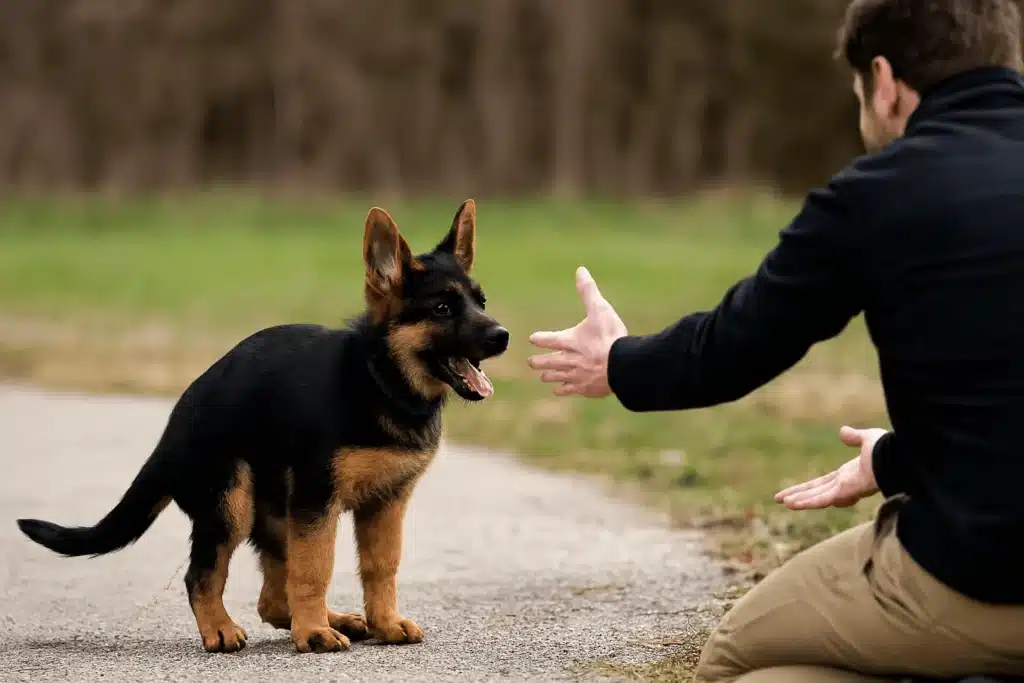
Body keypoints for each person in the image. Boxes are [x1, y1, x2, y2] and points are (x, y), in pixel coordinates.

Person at [526, 1, 1024, 681]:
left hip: (978, 578)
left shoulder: (877, 196)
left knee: (736, 660)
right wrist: (899, 459)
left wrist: (617, 361)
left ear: (884, 80)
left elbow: (736, 346)